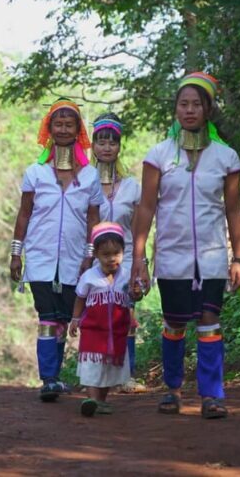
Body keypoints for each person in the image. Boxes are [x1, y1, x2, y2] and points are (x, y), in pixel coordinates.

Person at [131, 72, 240, 419]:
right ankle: (173, 389)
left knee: (210, 321)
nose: (190, 110)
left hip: (211, 257)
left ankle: (212, 395)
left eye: (197, 104)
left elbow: (234, 208)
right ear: (176, 109)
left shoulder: (226, 157)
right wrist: (139, 257)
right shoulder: (159, 155)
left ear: (208, 109)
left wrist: (239, 256)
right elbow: (147, 207)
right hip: (172, 256)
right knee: (175, 323)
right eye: (184, 104)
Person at [10, 98, 104, 402]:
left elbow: (94, 220)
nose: (63, 129)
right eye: (58, 124)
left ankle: (55, 376)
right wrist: (16, 253)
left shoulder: (90, 176)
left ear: (78, 131)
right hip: (39, 255)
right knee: (46, 314)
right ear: (49, 129)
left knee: (64, 316)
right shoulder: (35, 172)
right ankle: (48, 378)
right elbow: (24, 214)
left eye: (69, 124)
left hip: (76, 258)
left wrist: (91, 256)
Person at [90, 114, 143, 388]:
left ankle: (126, 375)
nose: (107, 147)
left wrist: (139, 264)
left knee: (125, 317)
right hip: (94, 264)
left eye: (112, 142)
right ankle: (97, 377)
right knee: (98, 317)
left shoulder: (132, 186)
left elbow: (138, 229)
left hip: (126, 262)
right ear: (93, 145)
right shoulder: (84, 182)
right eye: (101, 141)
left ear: (119, 146)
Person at [70, 222, 140, 416]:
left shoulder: (127, 276)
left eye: (116, 254)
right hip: (93, 331)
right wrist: (75, 319)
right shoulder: (89, 277)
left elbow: (135, 296)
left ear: (123, 252)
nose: (111, 259)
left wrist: (137, 293)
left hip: (117, 331)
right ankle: (92, 399)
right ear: (97, 255)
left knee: (109, 368)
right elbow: (80, 298)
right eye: (105, 255)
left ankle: (101, 401)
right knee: (93, 367)